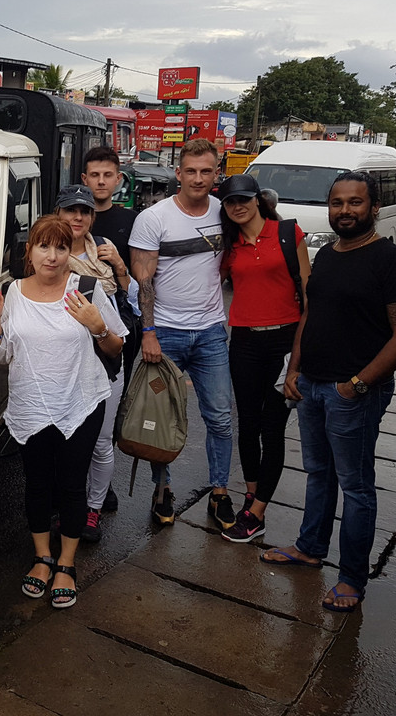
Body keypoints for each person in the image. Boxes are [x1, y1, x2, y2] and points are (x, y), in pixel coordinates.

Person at [263, 171, 396, 614]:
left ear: (373, 208)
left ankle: (352, 577)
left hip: (353, 392)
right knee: (318, 473)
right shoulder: (328, 255)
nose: (345, 211)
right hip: (311, 384)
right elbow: (310, 315)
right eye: (337, 203)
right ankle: (310, 547)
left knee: (355, 486)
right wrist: (294, 369)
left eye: (355, 203)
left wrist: (358, 384)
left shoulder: (394, 263)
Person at [0, 215, 126, 608]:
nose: (53, 255)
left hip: (80, 401)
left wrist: (97, 327)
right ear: (30, 251)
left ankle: (67, 563)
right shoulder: (12, 293)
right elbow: (4, 354)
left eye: (61, 247)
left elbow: (115, 349)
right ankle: (42, 557)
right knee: (38, 484)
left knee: (72, 486)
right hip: (31, 403)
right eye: (44, 246)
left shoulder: (87, 291)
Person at [129, 138, 235, 528]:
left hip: (210, 333)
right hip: (166, 333)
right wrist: (149, 332)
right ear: (178, 173)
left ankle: (220, 490)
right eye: (190, 170)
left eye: (206, 171)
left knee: (221, 418)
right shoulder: (154, 218)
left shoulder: (226, 213)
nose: (198, 178)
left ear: (216, 173)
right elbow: (144, 281)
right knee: (160, 419)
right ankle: (163, 488)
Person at [217, 174, 310, 542]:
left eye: (244, 198)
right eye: (230, 202)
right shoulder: (230, 245)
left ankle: (257, 513)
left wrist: (299, 360)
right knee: (248, 424)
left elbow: (308, 293)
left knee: (273, 428)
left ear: (258, 199)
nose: (238, 206)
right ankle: (251, 494)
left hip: (284, 342)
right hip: (243, 342)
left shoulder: (288, 233)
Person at [55, 184, 134, 539]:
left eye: (85, 211)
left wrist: (118, 264)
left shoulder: (103, 249)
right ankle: (66, 503)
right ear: (57, 214)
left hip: (105, 353)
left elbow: (130, 294)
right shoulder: (46, 254)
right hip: (62, 360)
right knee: (63, 438)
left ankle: (93, 509)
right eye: (71, 210)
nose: (78, 217)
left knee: (102, 441)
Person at [81, 145, 141, 512]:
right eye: (94, 175)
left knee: (108, 413)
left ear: (118, 180)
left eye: (108, 175)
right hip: (73, 332)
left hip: (117, 330)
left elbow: (141, 284)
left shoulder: (131, 222)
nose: (101, 182)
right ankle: (80, 489)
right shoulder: (68, 220)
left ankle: (100, 489)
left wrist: (119, 265)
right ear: (83, 179)